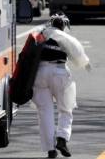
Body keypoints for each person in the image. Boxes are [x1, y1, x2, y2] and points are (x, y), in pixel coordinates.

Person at [32, 14, 91, 158]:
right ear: (64, 25)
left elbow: (29, 53)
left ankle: (51, 150)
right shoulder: (66, 38)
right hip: (59, 72)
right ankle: (62, 138)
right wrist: (85, 63)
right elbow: (79, 57)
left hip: (40, 74)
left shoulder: (41, 34)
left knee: (44, 112)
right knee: (66, 109)